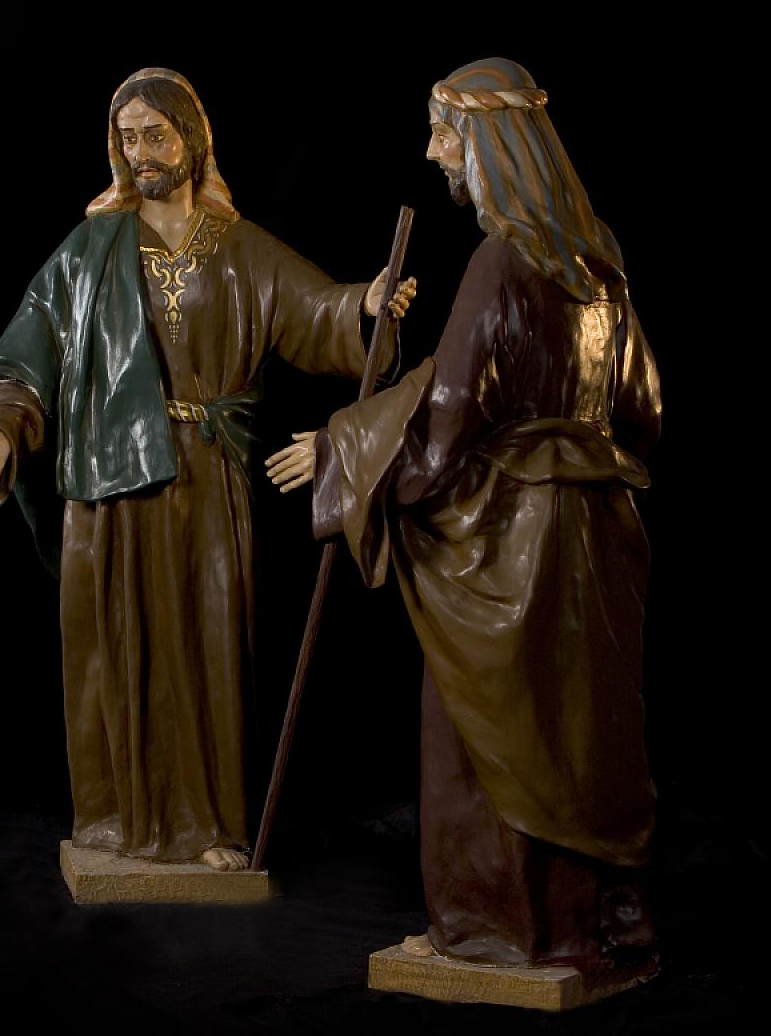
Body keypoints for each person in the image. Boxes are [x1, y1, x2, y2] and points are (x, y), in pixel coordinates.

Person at [0, 68, 412, 872]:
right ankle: (119, 824)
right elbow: (27, 355)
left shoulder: (237, 247)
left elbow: (313, 309)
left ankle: (209, 826)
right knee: (116, 647)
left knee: (210, 647)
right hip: (110, 485)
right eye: (128, 137)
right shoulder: (89, 250)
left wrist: (365, 306)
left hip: (205, 478)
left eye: (156, 134)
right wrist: (0, 426)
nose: (141, 151)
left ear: (192, 139)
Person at [288, 58, 660, 969]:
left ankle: (502, 931)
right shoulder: (600, 257)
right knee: (579, 729)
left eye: (443, 134)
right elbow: (644, 407)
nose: (432, 154)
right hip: (601, 531)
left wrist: (343, 453)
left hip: (510, 540)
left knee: (490, 735)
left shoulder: (500, 259)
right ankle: (588, 922)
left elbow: (451, 417)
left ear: (489, 143)